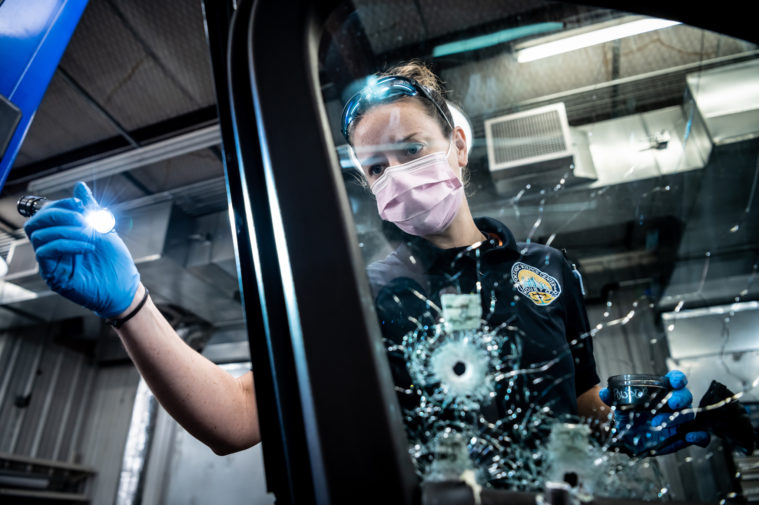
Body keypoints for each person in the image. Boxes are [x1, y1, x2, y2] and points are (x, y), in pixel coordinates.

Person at [23, 61, 707, 469]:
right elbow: (235, 418)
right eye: (374, 166)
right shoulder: (359, 293)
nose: (395, 176)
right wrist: (132, 306)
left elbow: (578, 405)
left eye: (411, 149)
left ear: (457, 142)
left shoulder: (547, 268)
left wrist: (627, 425)